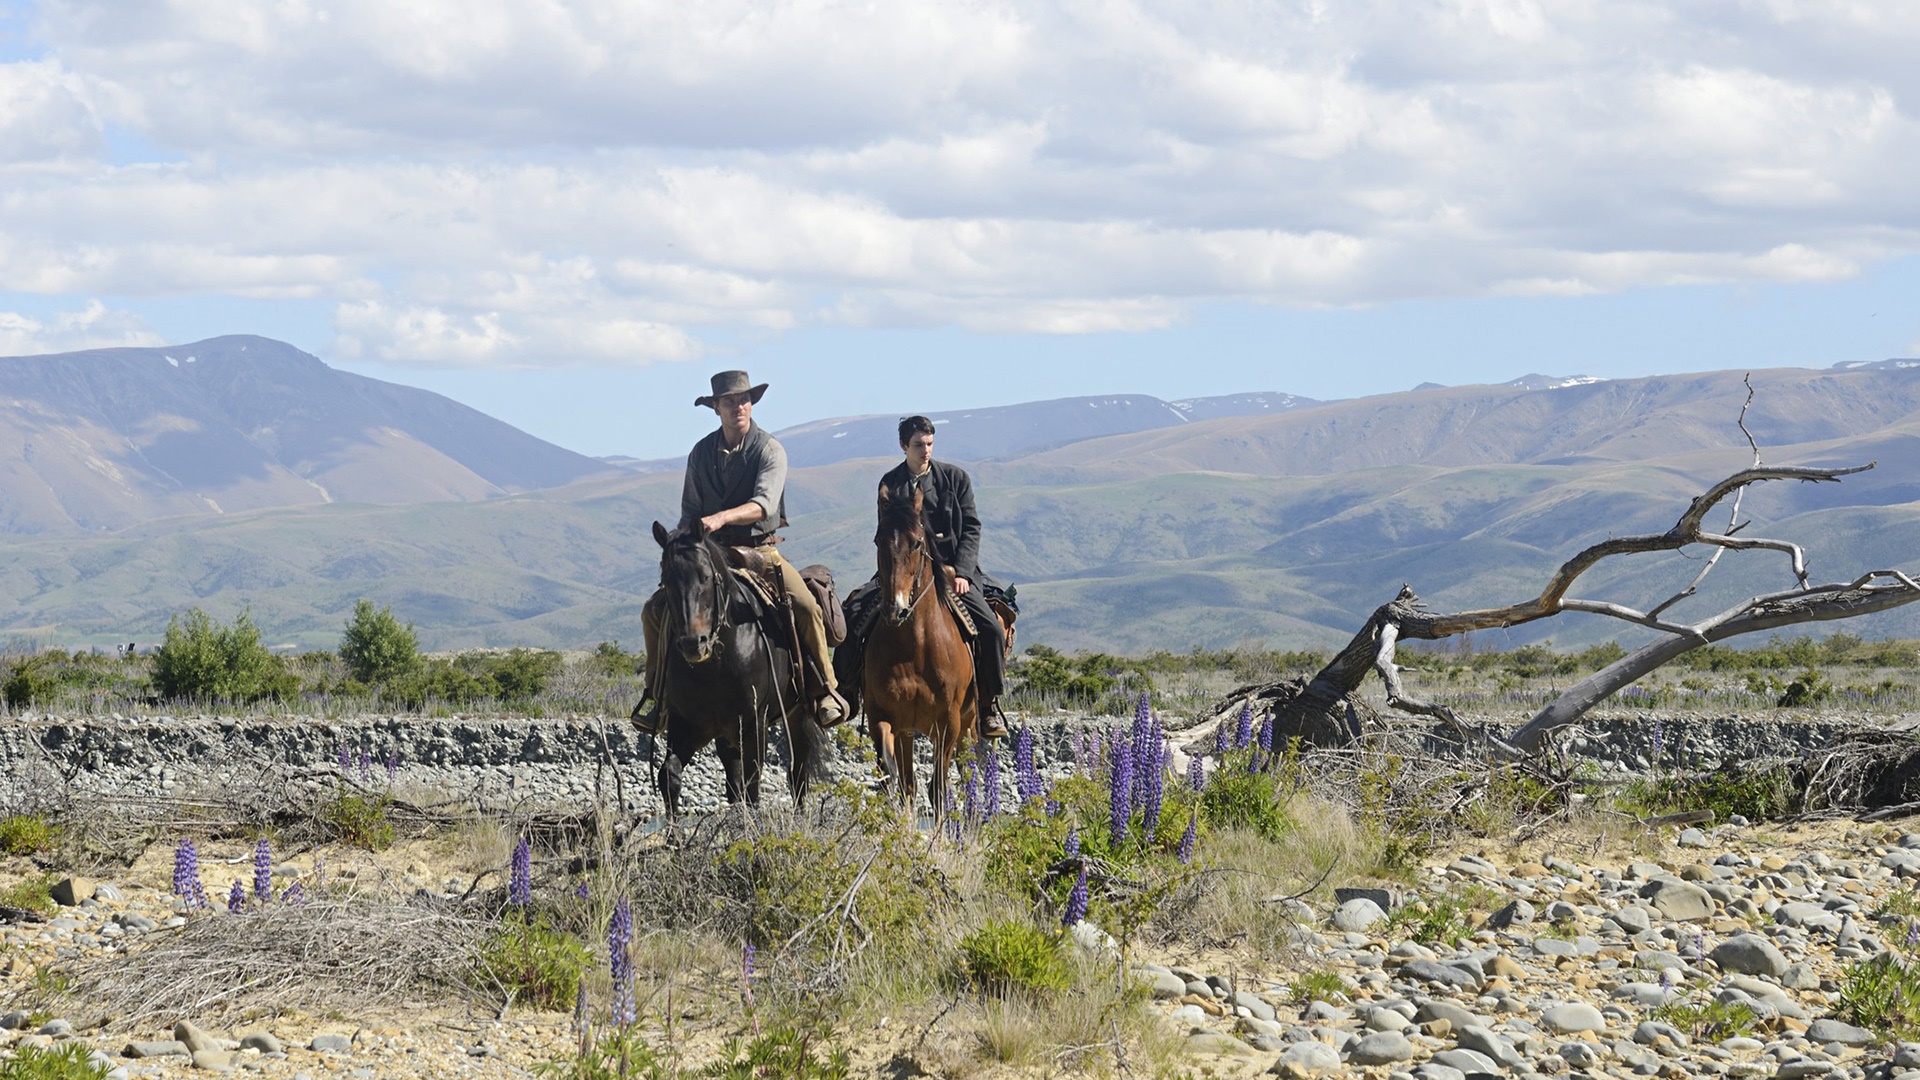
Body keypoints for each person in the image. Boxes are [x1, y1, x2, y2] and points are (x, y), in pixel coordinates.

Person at [631, 371, 848, 732]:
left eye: (744, 400)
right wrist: (680, 541)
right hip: (706, 551)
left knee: (806, 606)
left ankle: (825, 689)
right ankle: (657, 694)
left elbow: (764, 504)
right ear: (716, 408)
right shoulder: (701, 453)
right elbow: (689, 511)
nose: (739, 407)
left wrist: (722, 517)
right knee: (653, 611)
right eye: (730, 401)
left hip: (759, 551)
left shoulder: (769, 449)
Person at [838, 415, 1010, 739]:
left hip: (954, 571)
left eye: (930, 444)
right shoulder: (890, 484)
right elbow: (889, 536)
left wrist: (961, 571)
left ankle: (988, 705)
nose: (926, 450)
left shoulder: (956, 479)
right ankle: (848, 691)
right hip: (901, 570)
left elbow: (971, 527)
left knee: (990, 629)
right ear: (904, 446)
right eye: (919, 445)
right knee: (853, 616)